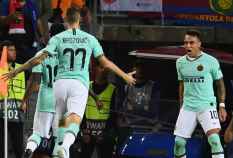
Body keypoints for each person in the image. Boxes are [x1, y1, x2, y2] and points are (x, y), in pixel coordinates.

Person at [1, 7, 135, 158]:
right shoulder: (90, 39)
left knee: (40, 131)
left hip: (57, 90)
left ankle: (32, 147)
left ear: (66, 20)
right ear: (79, 20)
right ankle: (63, 148)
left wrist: (16, 71)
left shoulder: (56, 40)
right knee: (70, 126)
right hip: (78, 86)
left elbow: (37, 63)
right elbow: (105, 63)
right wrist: (124, 76)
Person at [173, 30, 227, 158]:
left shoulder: (211, 61)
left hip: (207, 105)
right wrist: (181, 105)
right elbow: (181, 84)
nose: (188, 46)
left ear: (199, 44)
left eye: (191, 43)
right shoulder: (180, 62)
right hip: (188, 107)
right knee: (179, 143)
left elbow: (220, 84)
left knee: (214, 140)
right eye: (185, 43)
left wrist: (222, 105)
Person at [20, 23, 65, 158]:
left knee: (38, 133)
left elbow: (35, 82)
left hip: (45, 100)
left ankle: (29, 148)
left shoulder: (41, 54)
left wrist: (24, 99)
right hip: (62, 103)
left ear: (50, 35)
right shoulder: (67, 57)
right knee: (59, 138)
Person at [116, 60, 160, 157]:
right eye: (136, 67)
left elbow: (155, 109)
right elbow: (119, 107)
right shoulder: (125, 85)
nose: (139, 70)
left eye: (141, 67)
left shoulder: (153, 86)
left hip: (147, 128)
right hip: (128, 128)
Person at [77, 61, 117, 158]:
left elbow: (114, 114)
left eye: (105, 68)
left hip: (104, 134)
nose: (103, 70)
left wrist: (105, 133)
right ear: (95, 69)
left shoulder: (113, 89)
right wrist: (83, 130)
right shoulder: (86, 87)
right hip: (87, 133)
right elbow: (79, 109)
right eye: (101, 67)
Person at [0, 40, 26, 158]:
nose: (14, 52)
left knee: (19, 148)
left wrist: (25, 101)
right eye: (10, 50)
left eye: (14, 50)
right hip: (2, 112)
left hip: (17, 112)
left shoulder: (21, 68)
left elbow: (31, 85)